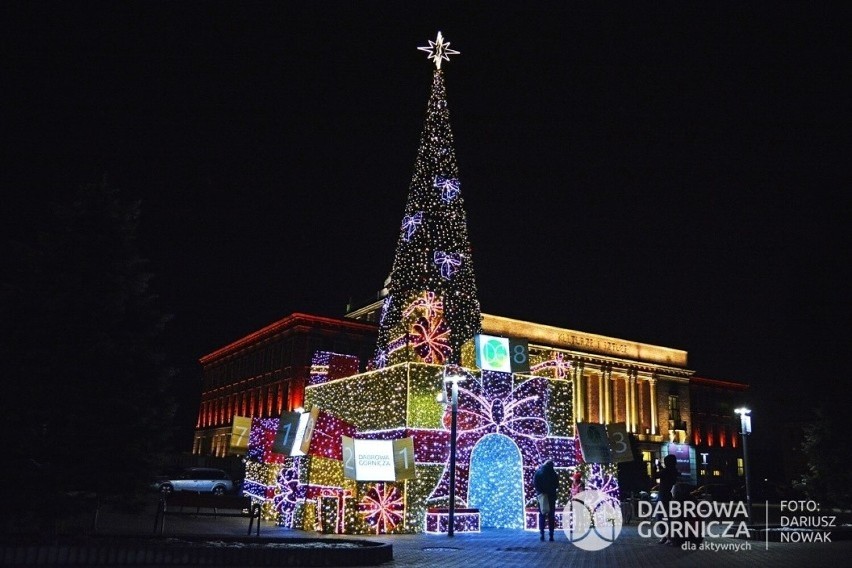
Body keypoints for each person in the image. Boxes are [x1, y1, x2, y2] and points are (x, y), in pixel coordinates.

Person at [655, 454, 679, 544]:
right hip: (670, 496)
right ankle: (669, 536)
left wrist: (656, 466)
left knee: (660, 517)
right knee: (669, 518)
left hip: (663, 496)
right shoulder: (673, 471)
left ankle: (666, 536)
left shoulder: (666, 471)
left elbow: (656, 475)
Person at [534, 460, 559, 541]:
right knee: (551, 516)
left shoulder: (538, 472)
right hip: (551, 496)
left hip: (542, 496)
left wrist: (541, 492)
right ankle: (551, 535)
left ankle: (542, 534)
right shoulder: (553, 473)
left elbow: (535, 484)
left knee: (542, 515)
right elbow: (556, 484)